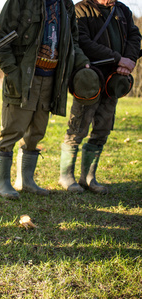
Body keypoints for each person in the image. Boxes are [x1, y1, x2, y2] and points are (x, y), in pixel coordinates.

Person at [0, 0, 90, 199]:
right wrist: (12, 72)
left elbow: (73, 42)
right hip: (23, 77)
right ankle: (3, 183)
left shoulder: (66, 5)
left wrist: (83, 63)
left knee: (37, 131)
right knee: (12, 130)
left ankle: (25, 181)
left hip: (52, 79)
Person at [58, 0, 141, 194]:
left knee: (103, 128)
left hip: (115, 78)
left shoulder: (122, 10)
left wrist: (128, 60)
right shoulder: (80, 10)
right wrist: (118, 58)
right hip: (88, 76)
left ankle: (88, 178)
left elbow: (135, 35)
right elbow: (82, 41)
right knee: (77, 128)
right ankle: (66, 177)